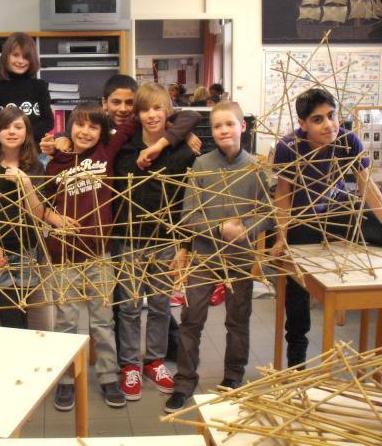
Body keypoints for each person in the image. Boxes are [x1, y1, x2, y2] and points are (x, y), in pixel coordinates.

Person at [41, 101, 186, 410]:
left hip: (100, 255)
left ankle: (108, 376)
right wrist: (54, 219)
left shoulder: (107, 152)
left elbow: (139, 117)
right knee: (66, 321)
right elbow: (41, 205)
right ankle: (65, 381)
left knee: (103, 321)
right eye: (79, 124)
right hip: (63, 255)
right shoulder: (55, 161)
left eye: (94, 126)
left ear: (103, 131)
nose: (85, 132)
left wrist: (176, 136)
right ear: (68, 127)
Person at [165, 101, 274, 412]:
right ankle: (184, 381)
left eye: (229, 124)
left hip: (239, 257)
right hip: (204, 256)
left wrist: (247, 231)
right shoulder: (201, 166)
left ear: (243, 126)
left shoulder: (255, 166)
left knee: (238, 320)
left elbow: (267, 213)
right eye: (217, 126)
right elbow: (188, 215)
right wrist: (219, 229)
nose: (223, 130)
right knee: (191, 319)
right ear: (212, 132)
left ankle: (233, 377)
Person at [271, 88, 382, 369]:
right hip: (300, 219)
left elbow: (367, 188)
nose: (329, 124)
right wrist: (281, 237)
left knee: (368, 222)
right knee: (298, 291)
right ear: (302, 124)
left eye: (332, 116)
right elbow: (283, 195)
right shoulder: (289, 147)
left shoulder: (347, 140)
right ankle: (297, 362)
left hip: (333, 214)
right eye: (318, 119)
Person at [113, 82, 200, 401]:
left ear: (168, 112)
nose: (152, 115)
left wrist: (183, 245)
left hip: (165, 240)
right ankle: (130, 365)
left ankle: (154, 361)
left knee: (162, 306)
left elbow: (190, 201)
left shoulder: (181, 153)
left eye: (158, 108)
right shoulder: (124, 150)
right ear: (137, 115)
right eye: (145, 109)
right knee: (130, 307)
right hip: (130, 239)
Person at [0, 106, 56, 328]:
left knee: (25, 319)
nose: (12, 132)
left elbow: (38, 215)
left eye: (18, 127)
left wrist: (25, 184)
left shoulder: (34, 167)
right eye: (5, 127)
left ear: (26, 133)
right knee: (11, 320)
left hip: (28, 252)